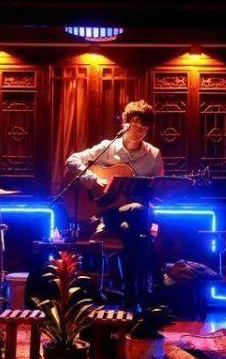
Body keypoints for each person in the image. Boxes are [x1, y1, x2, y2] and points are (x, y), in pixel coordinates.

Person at [65, 100, 163, 309]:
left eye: (144, 128)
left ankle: (128, 292)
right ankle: (142, 293)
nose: (139, 132)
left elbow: (158, 189)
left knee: (134, 218)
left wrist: (160, 192)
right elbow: (72, 160)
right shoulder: (108, 147)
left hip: (137, 215)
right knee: (138, 229)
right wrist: (93, 180)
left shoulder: (153, 155)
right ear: (125, 124)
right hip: (109, 212)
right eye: (135, 126)